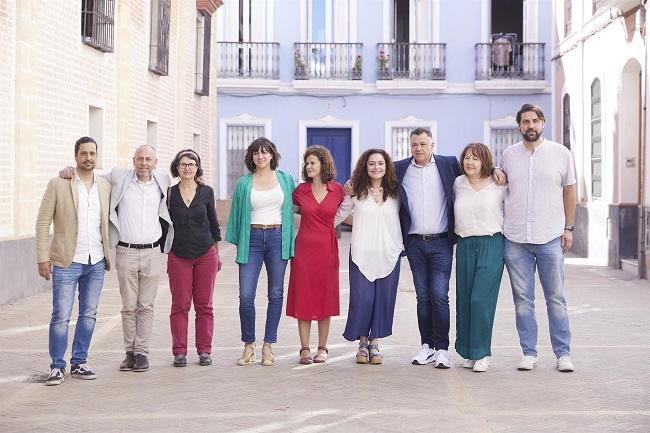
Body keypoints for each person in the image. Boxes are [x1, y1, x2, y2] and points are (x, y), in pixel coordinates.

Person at [60, 145, 174, 372]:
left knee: (146, 306)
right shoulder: (119, 177)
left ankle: (142, 353)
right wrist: (69, 170)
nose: (144, 163)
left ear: (155, 162)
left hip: (152, 252)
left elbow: (186, 181)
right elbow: (90, 177)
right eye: (140, 159)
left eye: (148, 159)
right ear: (133, 160)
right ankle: (129, 353)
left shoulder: (164, 181)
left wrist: (198, 179)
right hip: (126, 251)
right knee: (129, 306)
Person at [501, 104, 576, 372]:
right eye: (525, 122)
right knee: (523, 300)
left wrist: (569, 228)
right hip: (515, 239)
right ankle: (529, 352)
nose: (530, 126)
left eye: (534, 121)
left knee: (555, 298)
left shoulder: (561, 154)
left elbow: (569, 191)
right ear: (519, 126)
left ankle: (563, 353)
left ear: (542, 123)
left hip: (549, 237)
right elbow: (501, 189)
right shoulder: (508, 156)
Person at [36, 136, 112, 386]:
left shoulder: (105, 185)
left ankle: (79, 362)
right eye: (83, 154)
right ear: (75, 156)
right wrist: (42, 256)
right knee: (61, 315)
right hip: (67, 261)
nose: (88, 158)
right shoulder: (59, 183)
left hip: (96, 260)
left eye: (92, 153)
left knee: (89, 315)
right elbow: (42, 221)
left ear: (97, 157)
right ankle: (57, 366)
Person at [225, 137, 296, 366]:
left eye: (265, 152)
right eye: (256, 153)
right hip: (252, 239)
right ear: (251, 157)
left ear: (272, 155)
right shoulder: (245, 183)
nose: (261, 156)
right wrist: (239, 243)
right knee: (246, 296)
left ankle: (268, 346)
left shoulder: (285, 179)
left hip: (277, 238)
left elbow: (298, 206)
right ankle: (248, 345)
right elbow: (236, 213)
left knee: (275, 294)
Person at [395, 128, 461, 369]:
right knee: (422, 296)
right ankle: (427, 347)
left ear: (433, 145)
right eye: (414, 145)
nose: (418, 148)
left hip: (442, 242)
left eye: (423, 144)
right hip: (414, 244)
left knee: (439, 296)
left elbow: (475, 175)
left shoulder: (449, 164)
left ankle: (442, 349)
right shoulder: (399, 168)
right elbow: (373, 178)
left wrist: (495, 171)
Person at [335, 149, 402, 365]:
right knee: (362, 299)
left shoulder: (396, 191)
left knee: (383, 300)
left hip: (389, 252)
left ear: (386, 166)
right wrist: (315, 227)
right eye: (371, 163)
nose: (376, 167)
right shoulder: (355, 191)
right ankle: (362, 343)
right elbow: (340, 214)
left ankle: (375, 343)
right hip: (361, 253)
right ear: (365, 166)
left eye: (380, 163)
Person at [287, 145, 345, 364]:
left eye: (313, 162)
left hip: (327, 251)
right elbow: (283, 212)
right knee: (304, 297)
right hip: (303, 251)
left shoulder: (338, 190)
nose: (308, 166)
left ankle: (322, 347)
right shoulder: (300, 191)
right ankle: (304, 349)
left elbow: (351, 207)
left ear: (323, 164)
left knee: (325, 298)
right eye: (307, 163)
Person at [453, 143, 506, 373]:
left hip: (491, 243)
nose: (470, 163)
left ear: (485, 161)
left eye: (475, 158)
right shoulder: (458, 183)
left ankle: (482, 352)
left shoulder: (499, 184)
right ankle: (469, 352)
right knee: (464, 299)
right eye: (466, 158)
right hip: (464, 244)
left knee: (480, 300)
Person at [166, 149, 221, 367]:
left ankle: (204, 350)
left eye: (191, 164)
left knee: (204, 305)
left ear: (197, 167)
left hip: (205, 254)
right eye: (183, 164)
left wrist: (216, 253)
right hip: (178, 254)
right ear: (177, 168)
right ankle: (179, 352)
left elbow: (214, 224)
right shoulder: (169, 193)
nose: (187, 167)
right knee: (180, 305)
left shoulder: (206, 192)